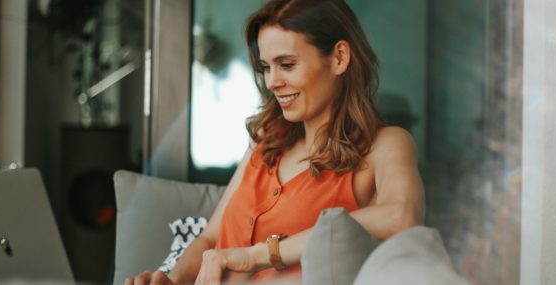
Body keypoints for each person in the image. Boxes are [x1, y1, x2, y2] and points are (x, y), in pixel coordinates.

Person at [126, 0, 425, 284]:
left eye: (287, 64)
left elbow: (402, 216)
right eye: (266, 67)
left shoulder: (385, 145)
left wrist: (260, 255)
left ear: (339, 58)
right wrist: (171, 280)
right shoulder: (265, 141)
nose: (271, 82)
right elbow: (211, 236)